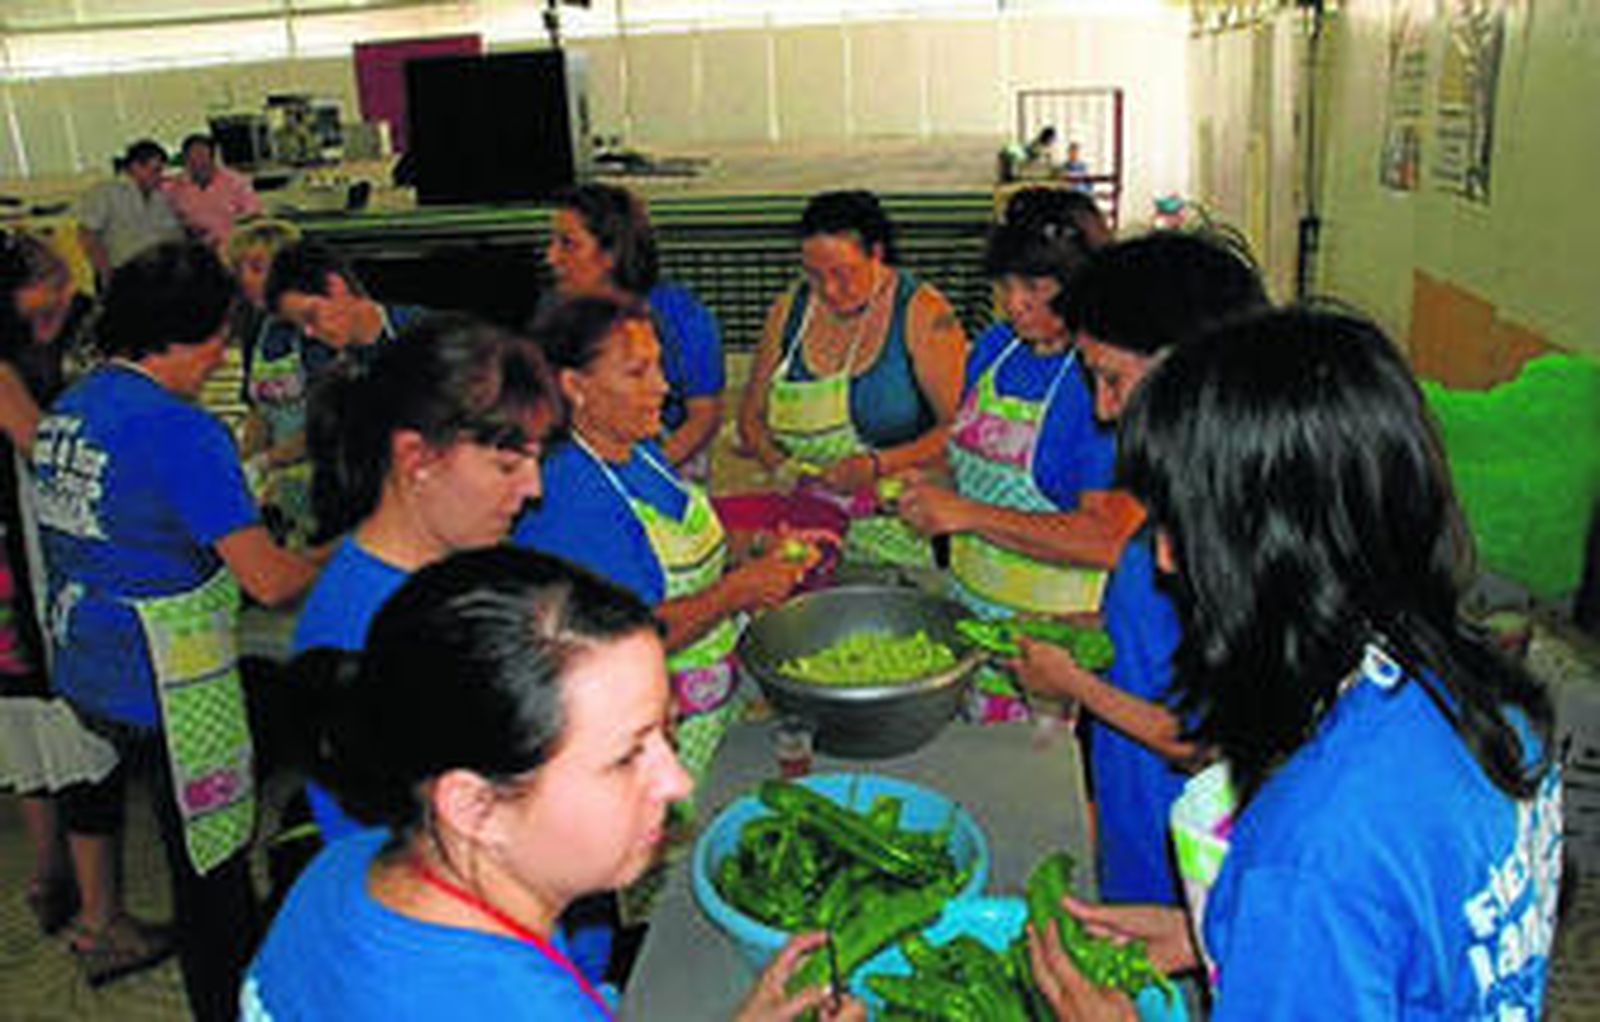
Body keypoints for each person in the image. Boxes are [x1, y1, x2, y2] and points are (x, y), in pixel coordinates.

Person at [1027, 307, 1563, 1020]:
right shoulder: (1485, 694)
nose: (1162, 558)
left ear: (1274, 543)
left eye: (1186, 527)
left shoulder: (1309, 850)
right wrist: (1222, 935)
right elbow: (1424, 944)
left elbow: (1337, 886)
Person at [245, 548, 862, 1021]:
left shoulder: (345, 871)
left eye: (667, 736)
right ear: (474, 805)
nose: (676, 783)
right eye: (626, 758)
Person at [34, 242, 322, 1017]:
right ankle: (229, 1001)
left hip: (88, 667)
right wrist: (356, 539)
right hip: (166, 683)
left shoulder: (71, 409)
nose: (223, 354)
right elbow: (269, 578)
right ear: (190, 335)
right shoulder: (181, 432)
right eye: (221, 338)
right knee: (212, 871)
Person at [1013, 231, 1268, 907]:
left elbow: (1200, 738)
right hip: (1132, 813)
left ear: (1188, 369)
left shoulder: (1237, 532)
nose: (1102, 409)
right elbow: (1152, 624)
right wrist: (1081, 630)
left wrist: (1072, 683)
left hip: (1187, 851)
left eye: (1113, 380)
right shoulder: (1174, 491)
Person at [515, 295, 812, 787]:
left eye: (658, 366)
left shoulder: (640, 450)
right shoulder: (568, 496)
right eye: (637, 372)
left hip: (714, 704)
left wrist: (753, 545)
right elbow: (627, 638)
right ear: (575, 387)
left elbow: (679, 547)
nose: (663, 386)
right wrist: (740, 591)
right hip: (655, 735)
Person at [294, 312, 556, 841]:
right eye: (509, 465)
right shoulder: (366, 632)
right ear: (417, 458)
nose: (535, 488)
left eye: (537, 459)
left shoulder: (449, 573)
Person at [893, 187, 1118, 722]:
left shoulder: (1102, 381)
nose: (1014, 303)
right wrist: (925, 486)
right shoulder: (996, 347)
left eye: (1035, 287)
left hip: (1058, 650)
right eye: (1005, 285)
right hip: (974, 621)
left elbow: (1106, 539)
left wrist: (968, 515)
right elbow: (964, 458)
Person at [736, 189, 968, 567]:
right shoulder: (788, 311)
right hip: (807, 528)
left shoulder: (923, 312)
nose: (829, 290)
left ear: (876, 254)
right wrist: (781, 467)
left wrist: (877, 465)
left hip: (903, 531)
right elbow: (750, 418)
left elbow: (959, 430)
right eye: (814, 275)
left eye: (843, 274)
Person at [0, 232, 115, 940]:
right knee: (73, 736)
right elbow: (44, 450)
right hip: (24, 571)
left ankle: (48, 880)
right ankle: (102, 920)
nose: (66, 293)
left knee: (21, 732)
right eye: (50, 282)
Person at [544, 183, 725, 481]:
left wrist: (641, 475)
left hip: (666, 460)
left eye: (568, 244)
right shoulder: (554, 312)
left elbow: (703, 417)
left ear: (611, 254)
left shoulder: (682, 316)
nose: (551, 257)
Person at [226, 219, 314, 543]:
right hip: (283, 483)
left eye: (257, 268)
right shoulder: (258, 329)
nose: (245, 279)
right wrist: (244, 467)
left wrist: (266, 462)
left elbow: (328, 425)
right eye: (240, 269)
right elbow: (259, 411)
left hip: (328, 479)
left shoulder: (316, 332)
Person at [264, 240, 425, 382]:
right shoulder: (315, 360)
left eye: (310, 316)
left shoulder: (424, 333)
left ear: (336, 286)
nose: (308, 332)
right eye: (297, 325)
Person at [77, 139, 184, 282]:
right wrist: (105, 272)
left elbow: (174, 234)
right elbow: (88, 234)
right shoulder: (106, 192)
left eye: (161, 170)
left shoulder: (160, 197)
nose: (160, 177)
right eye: (155, 171)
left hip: (161, 271)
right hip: (124, 272)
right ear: (135, 167)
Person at [163, 133, 263, 252]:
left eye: (202, 156)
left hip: (232, 249)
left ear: (212, 157)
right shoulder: (174, 187)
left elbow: (253, 218)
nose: (198, 163)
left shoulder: (237, 183)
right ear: (185, 160)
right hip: (194, 251)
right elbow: (167, 222)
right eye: (192, 159)